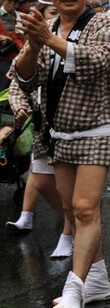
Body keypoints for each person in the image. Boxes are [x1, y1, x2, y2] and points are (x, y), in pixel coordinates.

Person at [13, 0, 110, 308]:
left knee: (86, 207)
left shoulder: (105, 21)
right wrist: (32, 46)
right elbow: (28, 80)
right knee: (73, 213)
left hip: (98, 125)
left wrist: (48, 40)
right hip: (60, 130)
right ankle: (98, 280)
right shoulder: (46, 27)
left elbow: (97, 62)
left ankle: (74, 287)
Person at [5, 78, 76, 260]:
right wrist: (19, 106)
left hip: (75, 125)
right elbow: (17, 85)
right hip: (43, 126)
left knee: (72, 189)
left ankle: (69, 234)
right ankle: (79, 224)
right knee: (43, 182)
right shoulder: (35, 50)